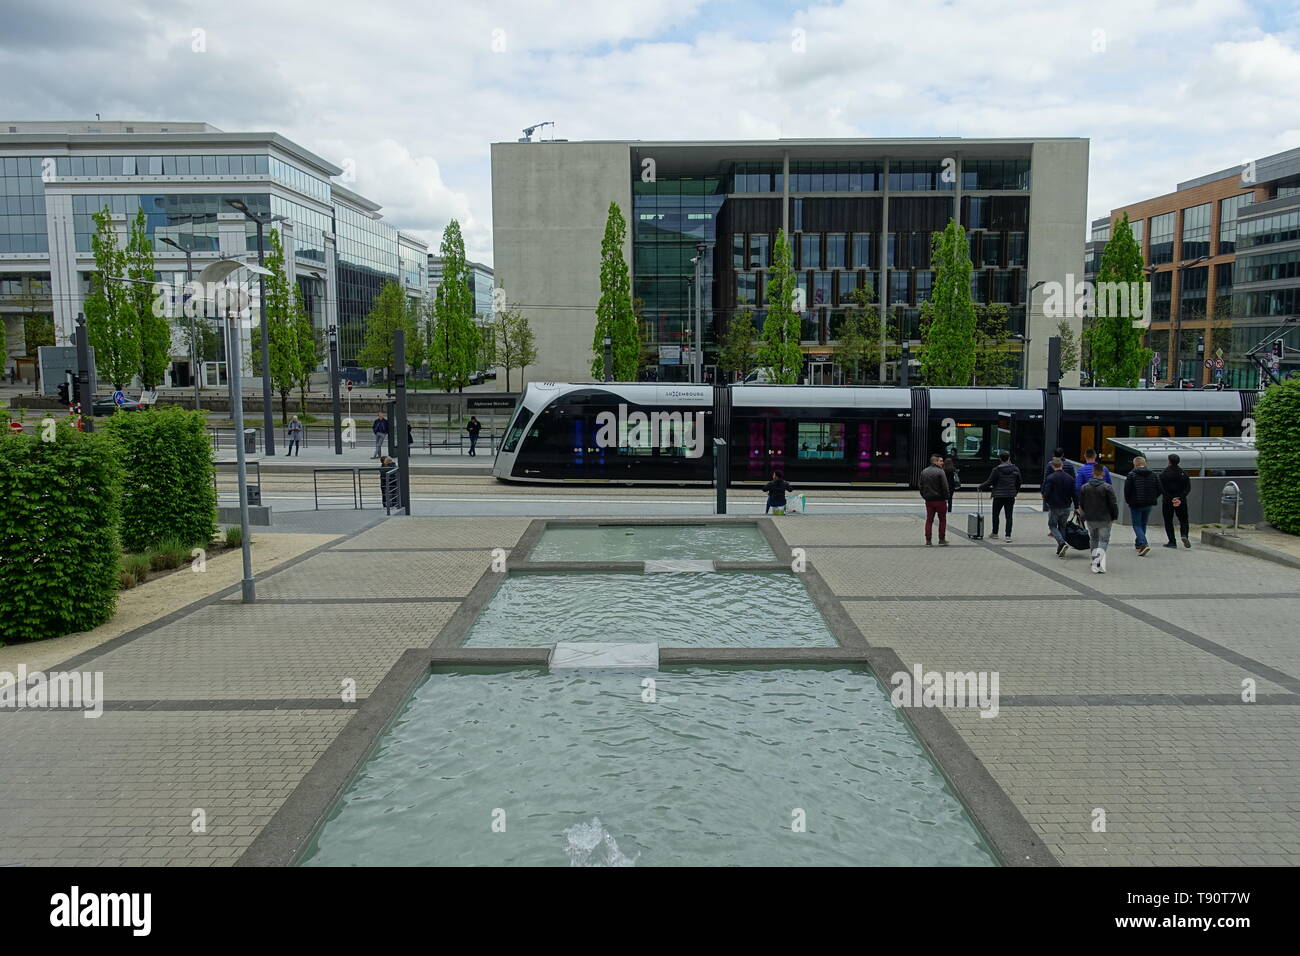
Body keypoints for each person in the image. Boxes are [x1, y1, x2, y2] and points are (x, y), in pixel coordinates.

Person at [1079, 465, 1119, 573]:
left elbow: (1081, 503)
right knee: (1104, 540)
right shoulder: (1107, 487)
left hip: (1090, 517)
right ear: (1103, 474)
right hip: (1105, 518)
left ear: (1093, 474)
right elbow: (1113, 503)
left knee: (1093, 538)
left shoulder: (1084, 487)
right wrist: (1115, 515)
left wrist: (1083, 515)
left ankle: (1094, 559)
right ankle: (1098, 561)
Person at [1123, 455, 1162, 557]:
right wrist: (1153, 497)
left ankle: (1144, 544)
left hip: (1135, 503)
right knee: (1143, 523)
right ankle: (1139, 543)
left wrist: (1128, 501)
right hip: (1148, 503)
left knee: (1136, 524)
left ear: (1135, 464)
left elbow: (1127, 490)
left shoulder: (1131, 475)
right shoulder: (1153, 474)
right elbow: (1159, 489)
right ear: (1145, 464)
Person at [979, 451, 1022, 542]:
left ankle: (995, 533)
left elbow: (989, 482)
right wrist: (1015, 492)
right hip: (1010, 496)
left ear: (1000, 459)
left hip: (998, 496)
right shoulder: (1015, 469)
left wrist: (980, 486)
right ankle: (1008, 535)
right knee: (1009, 516)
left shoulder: (996, 470)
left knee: (995, 514)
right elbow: (1019, 482)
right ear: (1009, 458)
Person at [1041, 457, 1078, 558]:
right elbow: (1074, 494)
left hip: (1054, 506)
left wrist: (1045, 499)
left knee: (1052, 525)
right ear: (1062, 465)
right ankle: (1060, 549)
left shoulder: (1050, 478)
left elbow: (1046, 493)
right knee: (1062, 526)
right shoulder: (1070, 478)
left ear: (1053, 466)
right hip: (1066, 506)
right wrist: (1076, 507)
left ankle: (1061, 543)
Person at [1159, 453, 1192, 549]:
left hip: (1167, 501)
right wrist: (1180, 498)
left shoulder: (1163, 474)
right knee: (1184, 520)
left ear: (1169, 461)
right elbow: (1187, 488)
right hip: (1181, 501)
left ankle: (1172, 541)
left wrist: (1170, 498)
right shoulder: (1183, 473)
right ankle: (1184, 535)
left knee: (1168, 521)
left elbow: (1162, 488)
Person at [919, 454, 950, 546]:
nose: (942, 463)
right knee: (942, 520)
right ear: (935, 461)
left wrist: (924, 496)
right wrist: (946, 497)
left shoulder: (924, 471)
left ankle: (928, 540)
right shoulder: (940, 472)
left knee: (929, 520)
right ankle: (941, 539)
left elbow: (921, 486)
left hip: (929, 500)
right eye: (940, 461)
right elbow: (945, 486)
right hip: (940, 500)